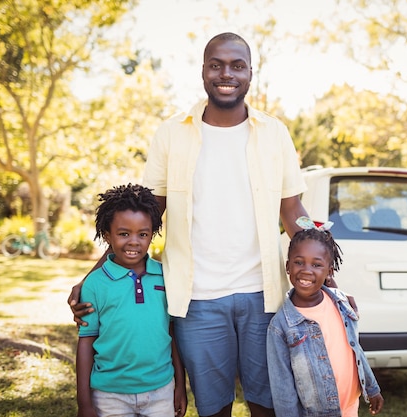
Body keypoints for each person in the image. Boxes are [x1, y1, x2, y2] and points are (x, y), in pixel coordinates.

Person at [69, 32, 311, 417]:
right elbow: (148, 213)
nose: (226, 74)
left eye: (237, 65)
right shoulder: (172, 133)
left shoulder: (274, 132)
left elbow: (293, 207)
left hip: (262, 295)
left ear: (251, 72)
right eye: (216, 65)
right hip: (196, 300)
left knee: (269, 403)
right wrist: (95, 274)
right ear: (203, 71)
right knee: (213, 407)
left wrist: (325, 265)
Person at [75, 184, 187, 417]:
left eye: (143, 234)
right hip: (109, 394)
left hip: (161, 390)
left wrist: (180, 386)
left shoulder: (166, 277)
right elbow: (86, 342)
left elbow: (173, 334)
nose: (134, 241)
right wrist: (84, 403)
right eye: (124, 233)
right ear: (107, 235)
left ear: (152, 234)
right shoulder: (95, 284)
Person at [266, 217, 384, 417]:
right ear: (288, 266)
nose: (306, 270)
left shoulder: (341, 304)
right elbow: (282, 388)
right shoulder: (280, 327)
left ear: (329, 272)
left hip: (349, 407)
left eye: (316, 264)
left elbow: (356, 349)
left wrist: (372, 388)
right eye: (298, 262)